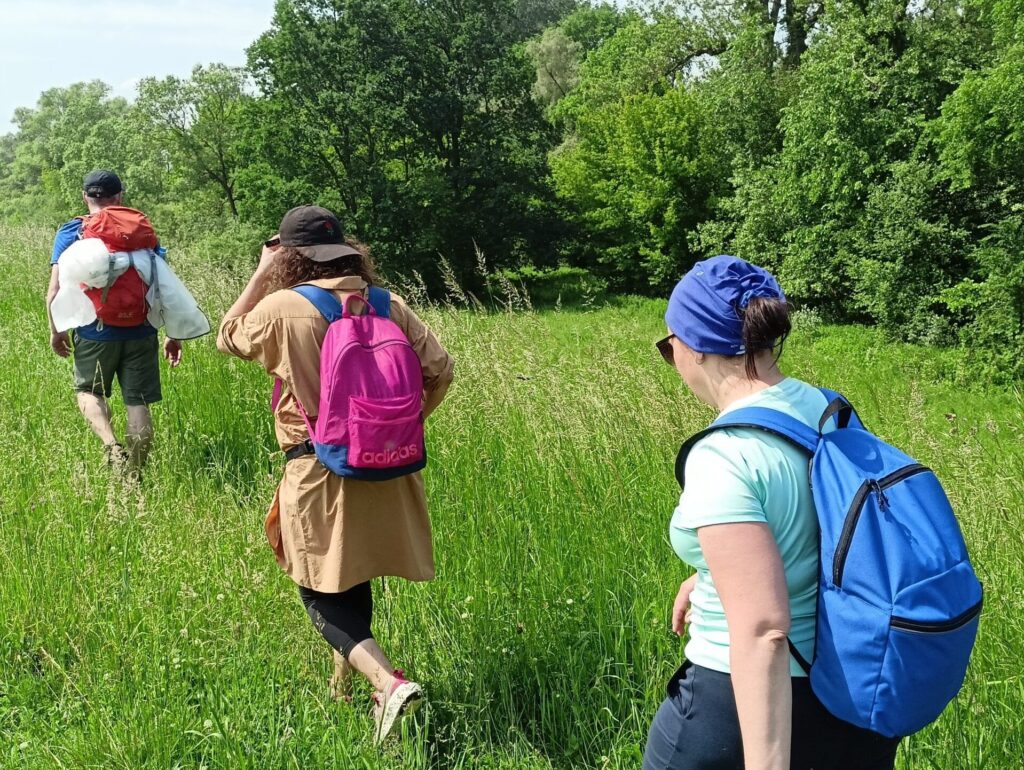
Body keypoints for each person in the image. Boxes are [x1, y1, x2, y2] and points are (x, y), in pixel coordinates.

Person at [643, 256, 901, 770]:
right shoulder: (830, 410)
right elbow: (827, 524)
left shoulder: (726, 455)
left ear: (693, 347)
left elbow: (764, 632)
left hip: (740, 709)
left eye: (668, 346)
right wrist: (712, 571)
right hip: (855, 692)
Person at [217, 205, 454, 744]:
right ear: (347, 250)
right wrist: (397, 429)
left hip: (319, 467)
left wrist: (259, 272)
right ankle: (345, 692)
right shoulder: (388, 302)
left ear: (291, 257)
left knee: (316, 588)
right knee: (350, 572)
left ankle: (388, 682)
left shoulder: (282, 306)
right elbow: (442, 370)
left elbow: (227, 334)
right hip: (391, 468)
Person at [46, 170, 182, 473]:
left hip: (93, 330)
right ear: (119, 196)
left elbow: (54, 290)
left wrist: (57, 330)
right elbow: (164, 285)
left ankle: (111, 446)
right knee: (138, 404)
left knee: (89, 392)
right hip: (141, 329)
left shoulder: (72, 232)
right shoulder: (142, 231)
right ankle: (134, 476)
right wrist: (174, 333)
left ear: (85, 196)